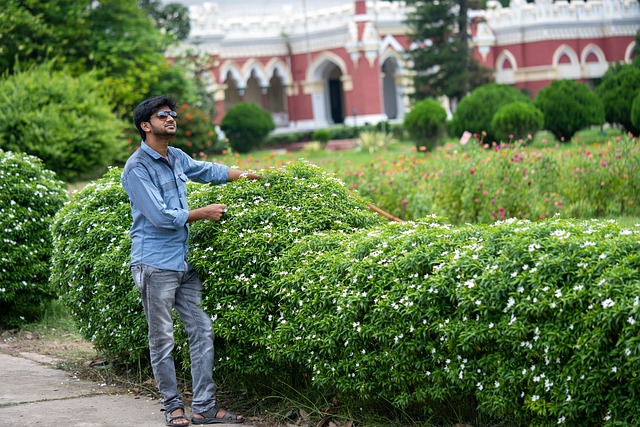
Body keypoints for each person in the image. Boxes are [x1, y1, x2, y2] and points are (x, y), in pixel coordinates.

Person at [121, 95, 260, 426]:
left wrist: (251, 177)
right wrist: (202, 213)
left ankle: (204, 406)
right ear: (146, 126)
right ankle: (172, 407)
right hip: (154, 265)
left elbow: (208, 171)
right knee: (163, 338)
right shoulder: (136, 168)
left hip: (182, 263)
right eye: (162, 115)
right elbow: (158, 216)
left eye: (172, 114)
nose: (171, 118)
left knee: (202, 330)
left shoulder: (177, 157)